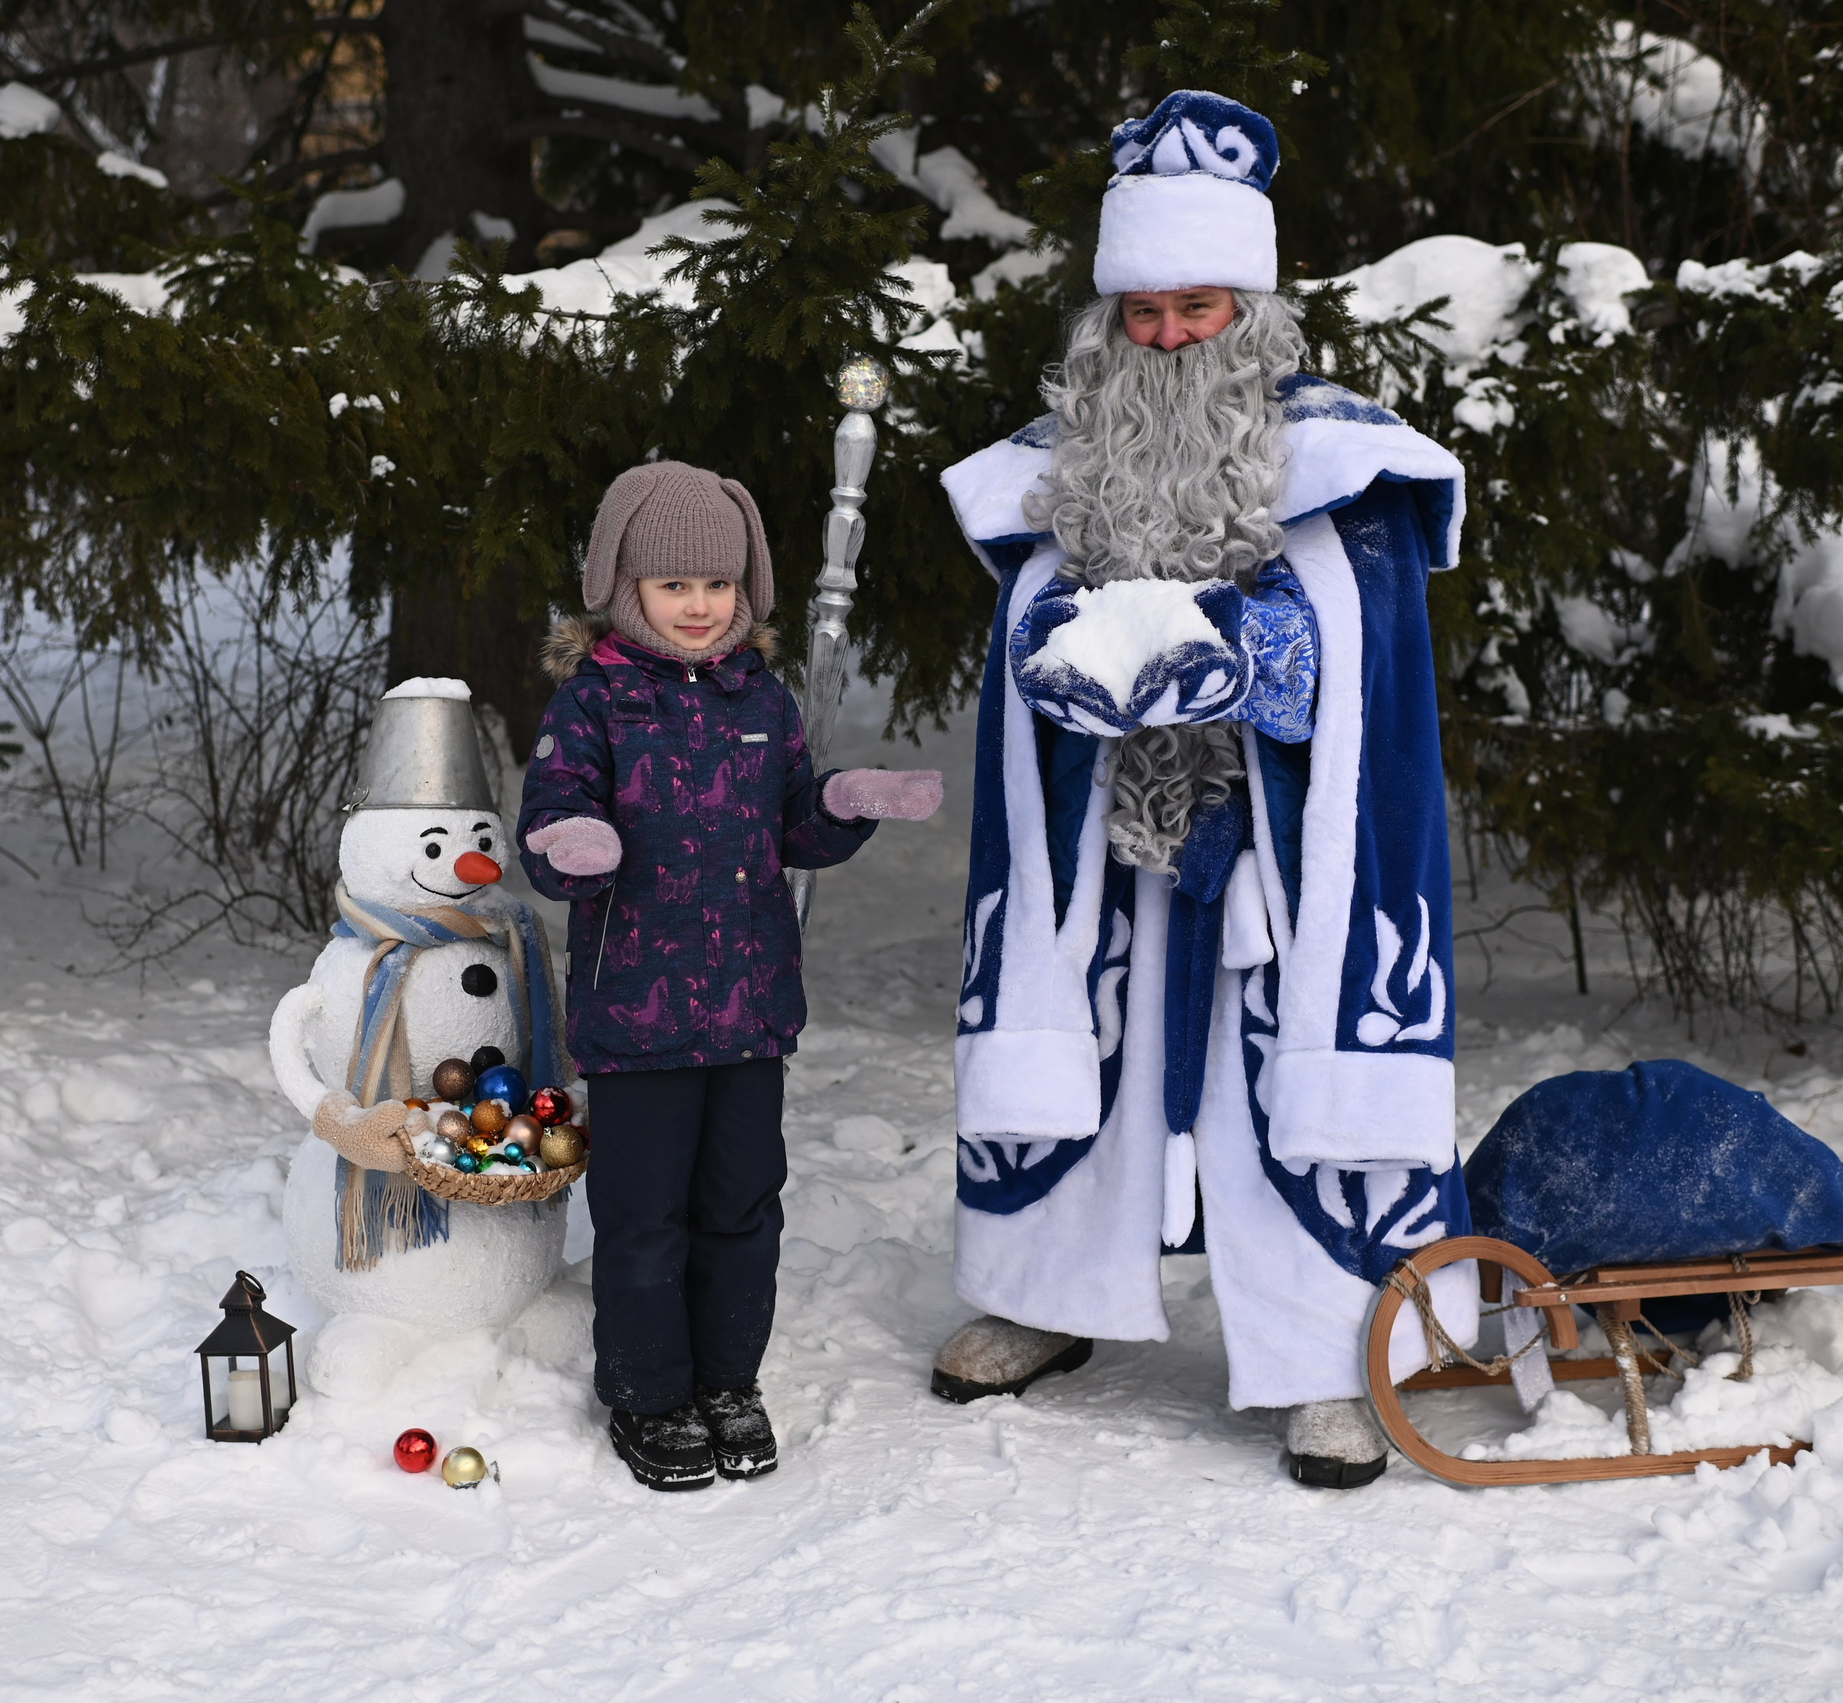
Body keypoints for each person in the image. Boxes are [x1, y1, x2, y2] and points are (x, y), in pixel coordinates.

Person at [932, 90, 1479, 1487]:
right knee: (1095, 1054)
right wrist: (1070, 663)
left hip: (1279, 843)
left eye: (1199, 308)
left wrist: (1244, 658)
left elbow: (1374, 634)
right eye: (1144, 314)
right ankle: (1045, 1297)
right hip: (1105, 829)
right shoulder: (1063, 462)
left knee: (1273, 1082)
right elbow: (1030, 616)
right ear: (1108, 321)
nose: (1169, 337)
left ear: (1253, 308)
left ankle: (1336, 1358)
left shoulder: (1345, 455)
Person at [519, 460, 943, 1491]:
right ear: (626, 591)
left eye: (717, 584)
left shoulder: (764, 699)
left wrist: (844, 799)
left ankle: (724, 1380)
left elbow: (791, 820)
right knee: (644, 1216)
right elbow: (546, 820)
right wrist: (571, 837)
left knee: (742, 1209)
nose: (700, 604)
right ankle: (648, 1391)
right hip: (637, 1015)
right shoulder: (596, 704)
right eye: (674, 586)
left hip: (750, 1011)